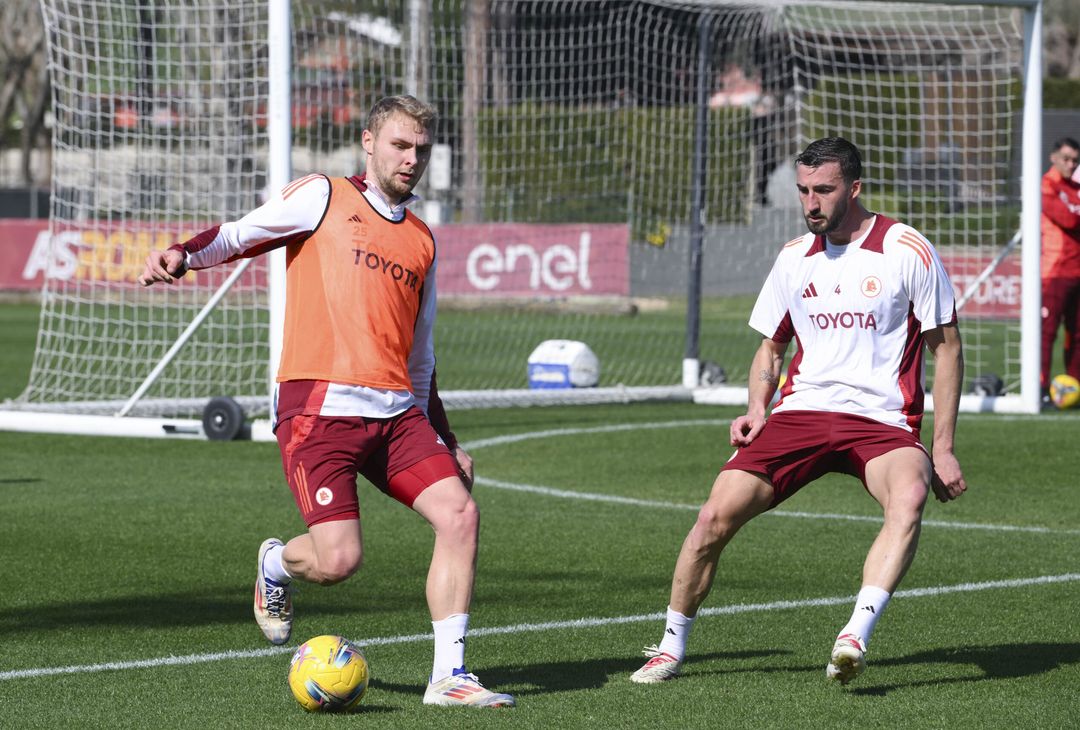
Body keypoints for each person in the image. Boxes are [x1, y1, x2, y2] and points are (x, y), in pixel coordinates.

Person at [138, 95, 514, 708]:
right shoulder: (324, 195)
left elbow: (421, 356)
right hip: (319, 410)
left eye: (421, 148)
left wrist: (445, 439)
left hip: (396, 413)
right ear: (369, 142)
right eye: (400, 145)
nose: (411, 159)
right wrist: (184, 255)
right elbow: (240, 235)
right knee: (339, 562)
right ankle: (275, 567)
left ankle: (449, 677)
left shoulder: (422, 239)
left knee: (459, 514)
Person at [630, 137, 967, 686]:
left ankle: (854, 635)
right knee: (712, 518)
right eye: (804, 190)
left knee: (908, 497)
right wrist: (755, 407)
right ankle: (670, 646)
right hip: (800, 413)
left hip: (882, 422)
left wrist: (944, 448)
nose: (811, 202)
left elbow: (946, 346)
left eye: (824, 190)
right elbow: (771, 346)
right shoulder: (793, 257)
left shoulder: (906, 248)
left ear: (854, 189)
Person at [1040, 137, 1080, 402]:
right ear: (1054, 158)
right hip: (1055, 272)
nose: (1070, 164)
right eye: (1066, 159)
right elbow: (1067, 218)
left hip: (1077, 272)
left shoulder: (1074, 187)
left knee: (1077, 334)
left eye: (1075, 160)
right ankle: (1040, 388)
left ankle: (1074, 386)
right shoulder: (1046, 186)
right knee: (1047, 333)